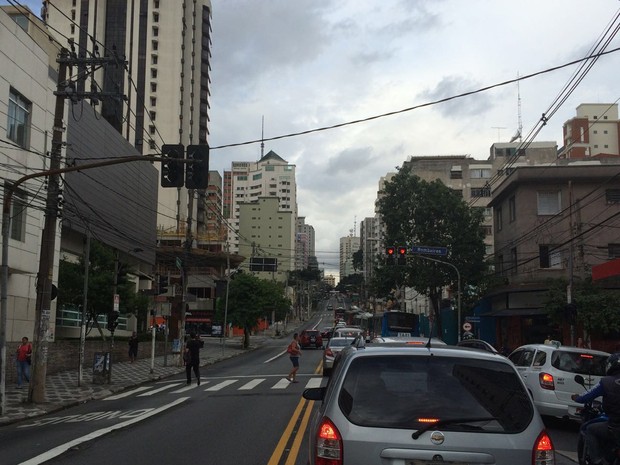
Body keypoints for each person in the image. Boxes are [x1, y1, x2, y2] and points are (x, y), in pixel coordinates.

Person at [572, 353, 620, 465]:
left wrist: (577, 397)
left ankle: (598, 461)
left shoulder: (606, 382)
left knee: (590, 429)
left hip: (615, 426)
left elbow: (586, 396)